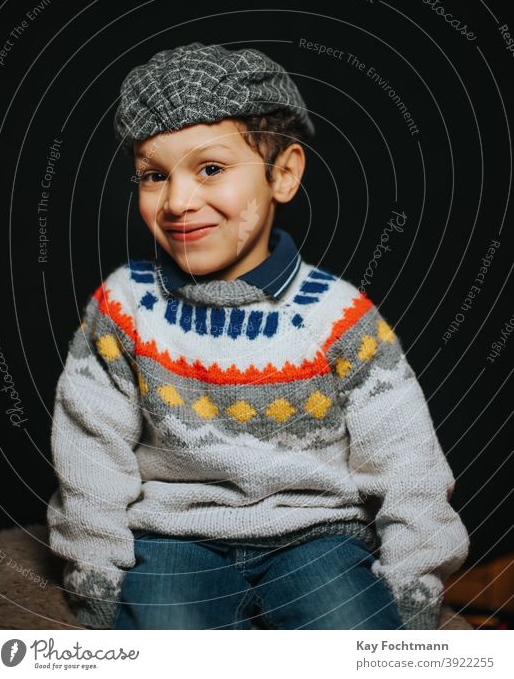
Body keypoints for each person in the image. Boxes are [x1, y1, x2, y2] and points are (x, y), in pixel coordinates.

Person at [47, 41, 469, 631]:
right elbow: (89, 450)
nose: (177, 201)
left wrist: (415, 576)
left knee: (349, 631)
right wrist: (95, 567)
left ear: (284, 174)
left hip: (318, 536)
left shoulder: (338, 316)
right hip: (172, 536)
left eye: (211, 169)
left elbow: (406, 460)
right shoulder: (123, 307)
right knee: (167, 639)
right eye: (153, 176)